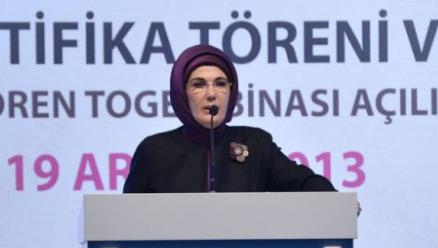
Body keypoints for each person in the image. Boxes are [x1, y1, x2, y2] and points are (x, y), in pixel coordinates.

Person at [123, 44, 335, 193]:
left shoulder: (256, 143)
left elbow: (302, 182)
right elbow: (128, 221)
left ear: (231, 92)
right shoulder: (154, 150)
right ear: (181, 93)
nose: (211, 94)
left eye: (221, 83)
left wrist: (336, 202)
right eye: (198, 84)